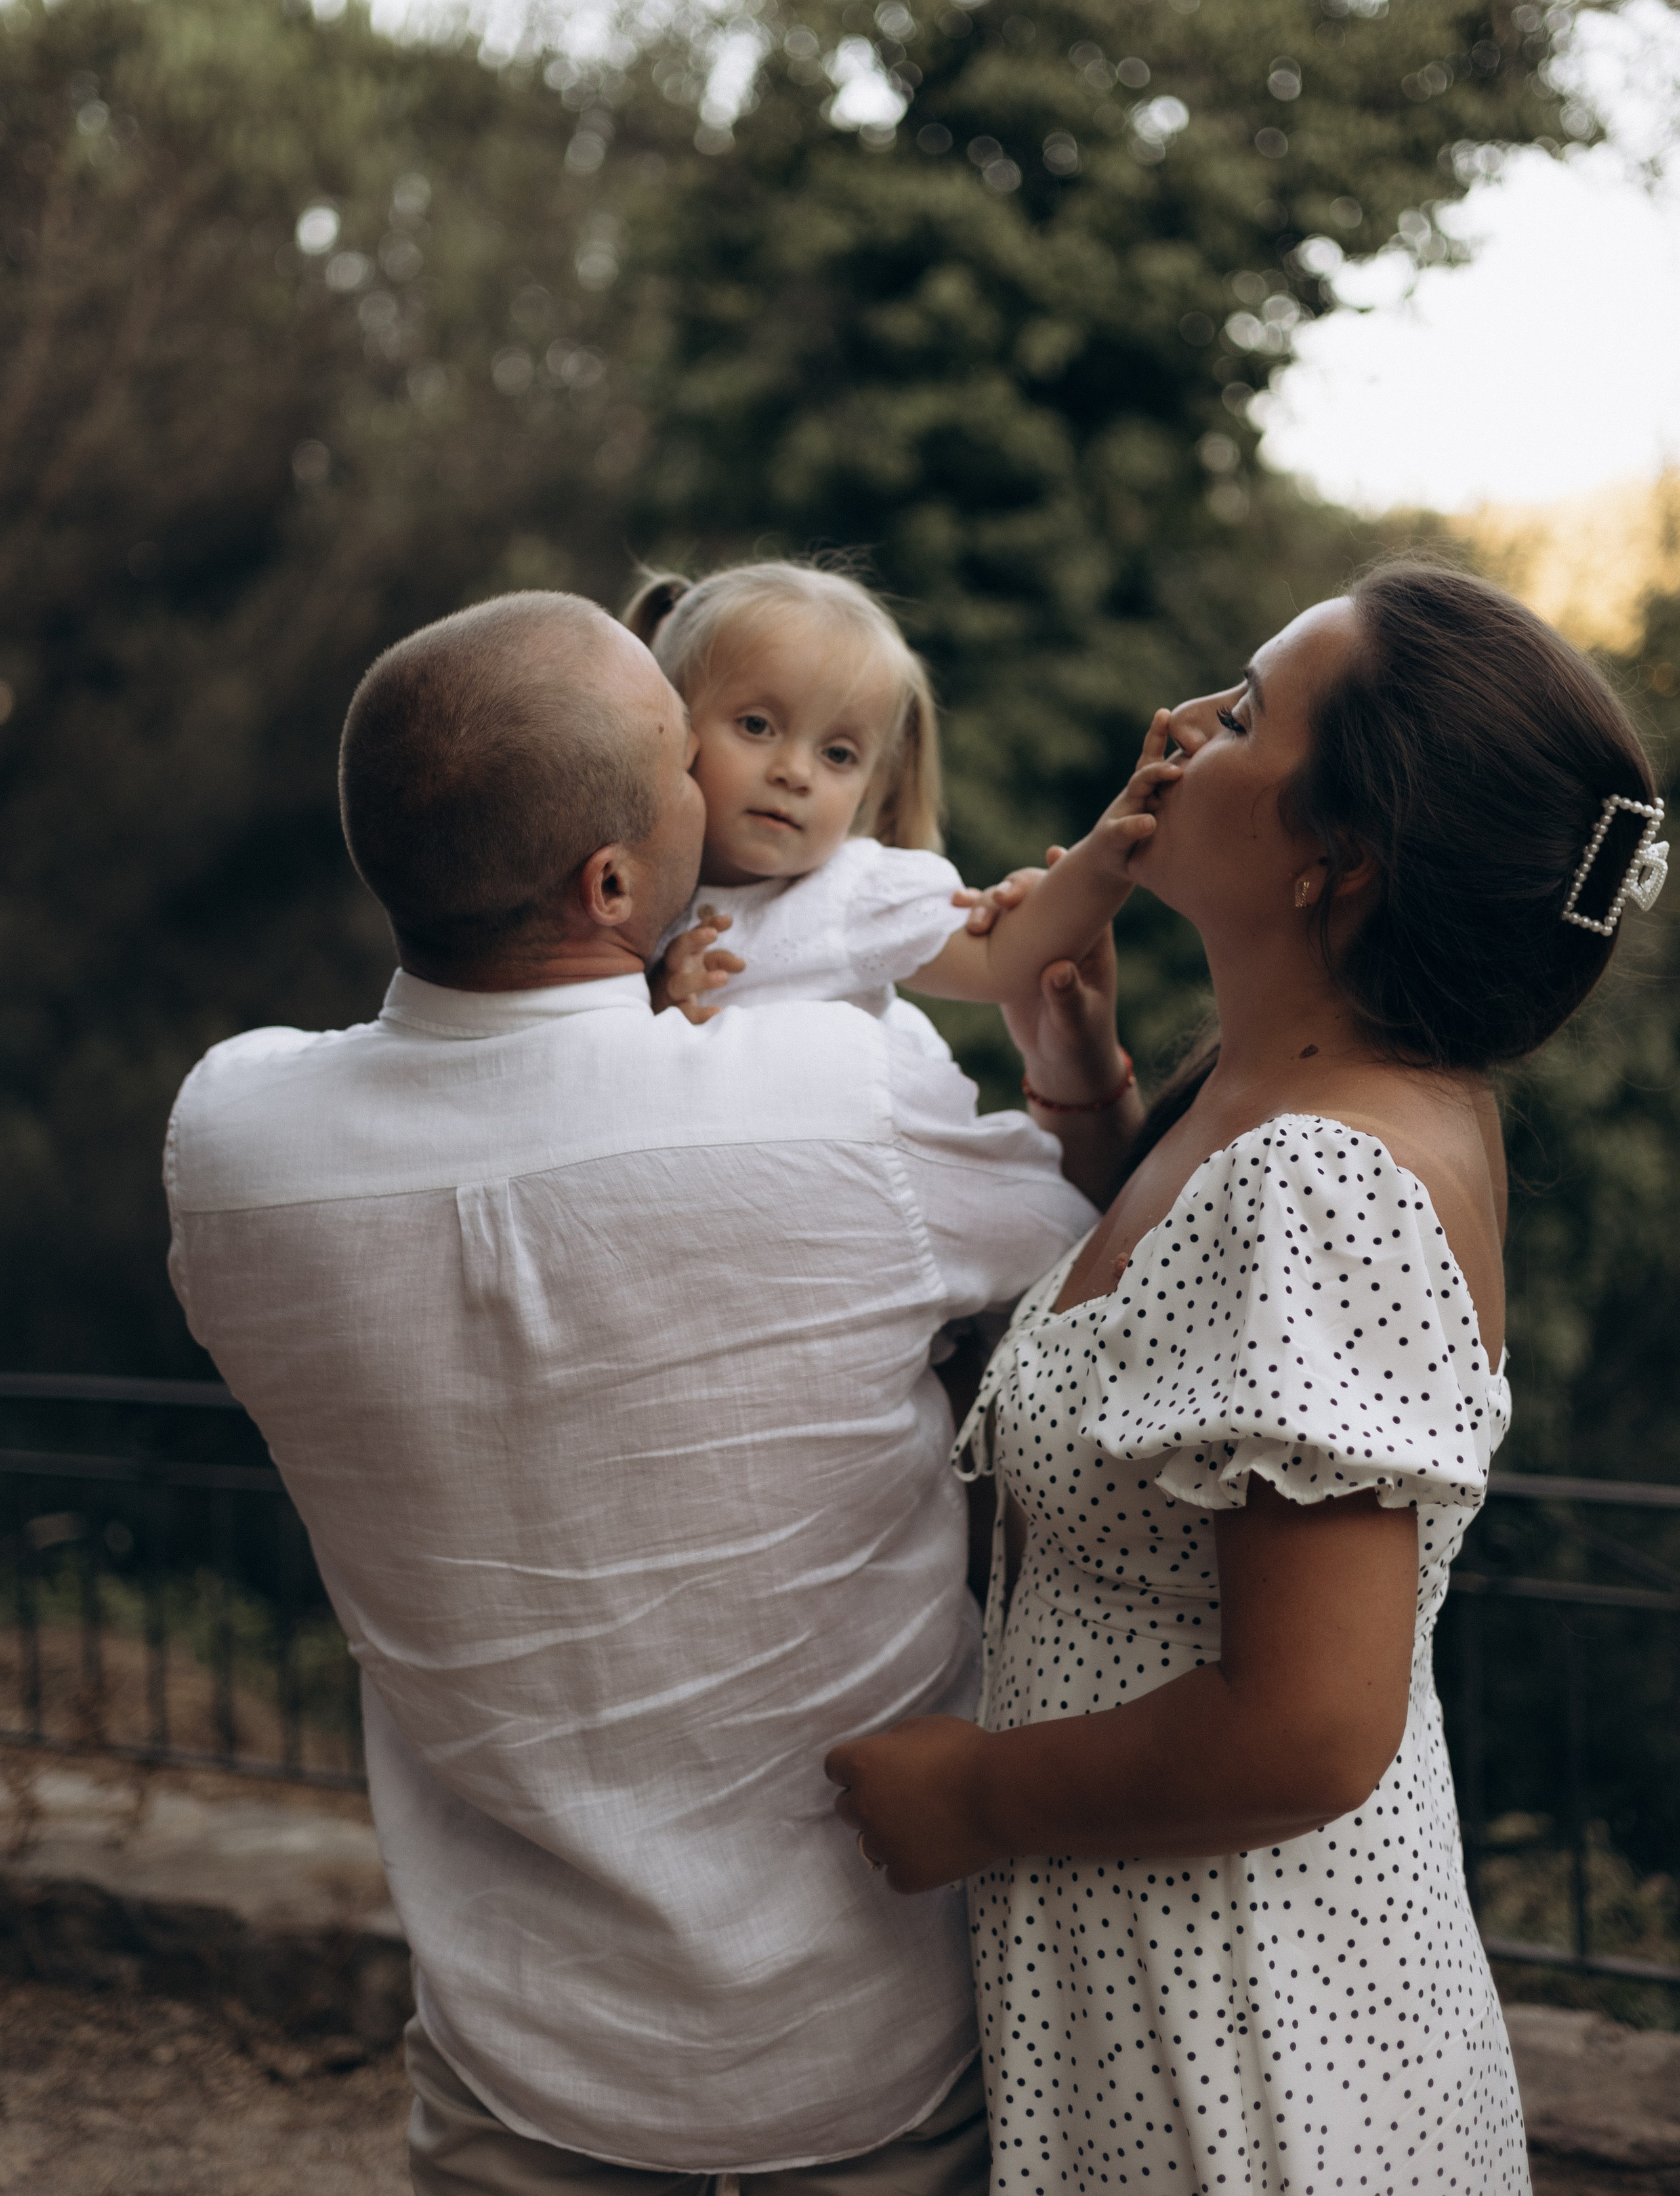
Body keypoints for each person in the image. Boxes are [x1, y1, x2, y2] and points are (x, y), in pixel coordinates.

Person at [163, 589, 1135, 2195]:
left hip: (515, 2059)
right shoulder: (838, 1089)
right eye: (689, 760)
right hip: (865, 2042)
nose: (732, 789)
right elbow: (1102, 1259)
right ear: (613, 879)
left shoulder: (232, 1143)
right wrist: (1076, 1064)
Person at [825, 561, 1666, 2196]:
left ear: (1331, 866)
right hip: (1158, 1979)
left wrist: (975, 1790)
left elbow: (1305, 1727)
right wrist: (1088, 1117)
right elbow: (1171, 1379)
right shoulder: (1262, 1095)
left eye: (1241, 711)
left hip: (1247, 2051)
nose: (1170, 729)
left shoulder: (1320, 1179)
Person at [624, 562, 1169, 1075]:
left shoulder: (855, 891)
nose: (795, 773)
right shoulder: (618, 889)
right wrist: (661, 998)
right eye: (757, 725)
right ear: (667, 724)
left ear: (871, 789)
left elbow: (1002, 958)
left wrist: (1104, 857)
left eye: (838, 755)